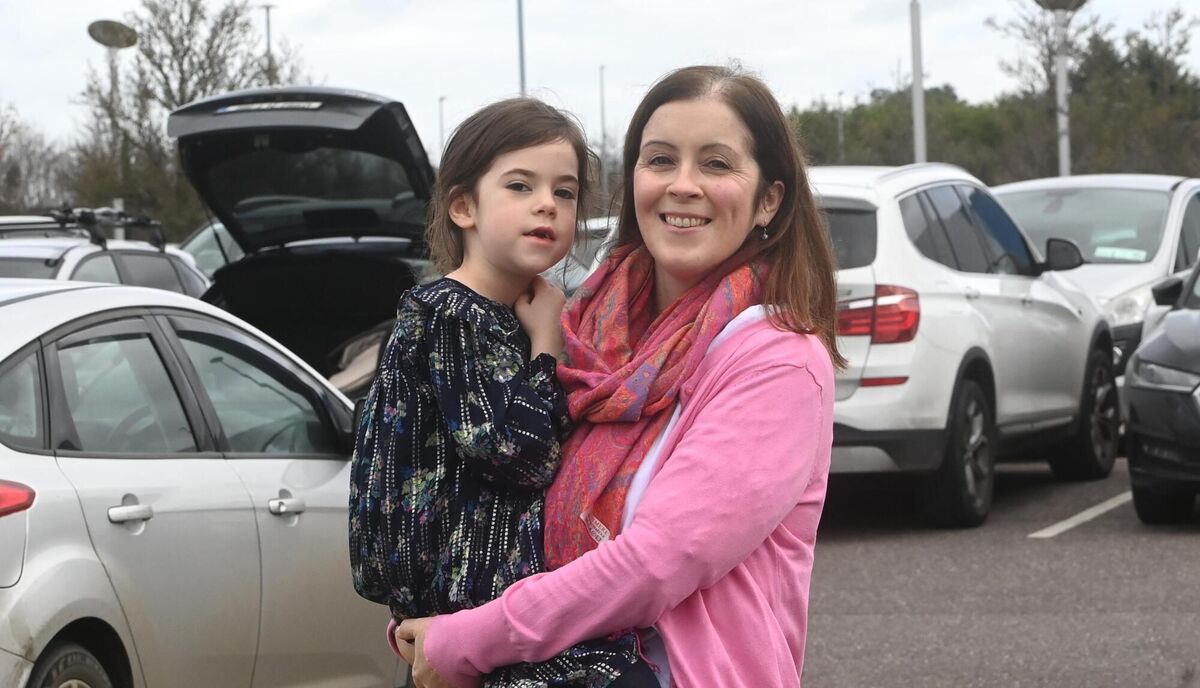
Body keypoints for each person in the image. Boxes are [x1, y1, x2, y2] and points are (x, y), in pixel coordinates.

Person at [395, 65, 847, 688]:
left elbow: (658, 562)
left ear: (769, 198)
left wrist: (470, 638)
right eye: (660, 160)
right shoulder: (579, 333)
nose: (683, 185)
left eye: (715, 164)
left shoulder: (779, 362)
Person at [348, 97, 659, 688]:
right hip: (466, 601)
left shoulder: (498, 315)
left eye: (564, 192)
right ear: (464, 206)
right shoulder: (452, 315)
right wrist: (547, 347)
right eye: (520, 185)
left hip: (488, 608)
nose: (547, 203)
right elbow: (520, 454)